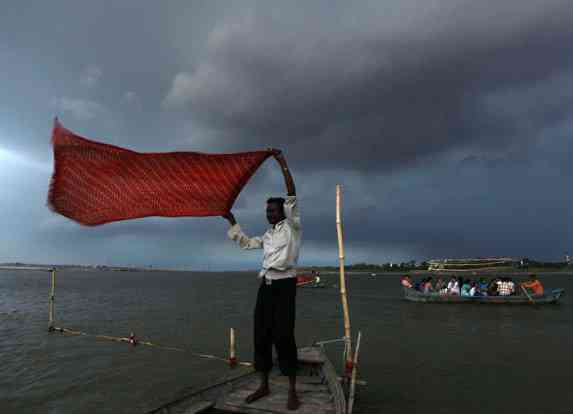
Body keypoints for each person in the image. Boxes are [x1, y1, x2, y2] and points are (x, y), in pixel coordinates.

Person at [222, 148, 301, 410]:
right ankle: (264, 384)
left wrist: (281, 161)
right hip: (265, 287)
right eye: (267, 211)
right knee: (261, 335)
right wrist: (231, 219)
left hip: (285, 286)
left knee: (284, 336)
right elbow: (245, 243)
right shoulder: (267, 236)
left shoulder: (293, 226)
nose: (270, 214)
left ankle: (292, 389)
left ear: (284, 212)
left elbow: (291, 194)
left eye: (274, 210)